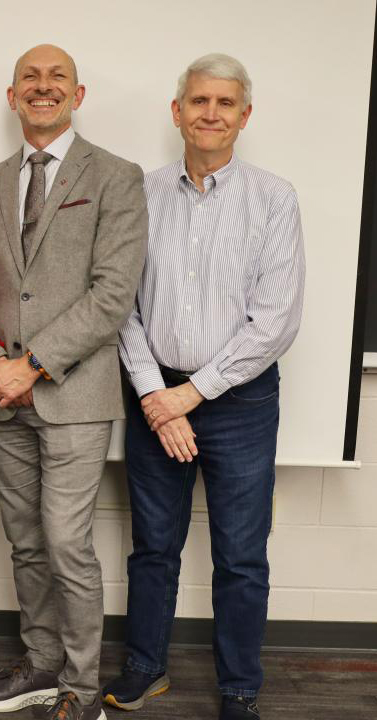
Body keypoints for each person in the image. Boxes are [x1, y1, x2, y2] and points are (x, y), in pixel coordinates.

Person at [104, 53, 305, 720]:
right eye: (199, 102)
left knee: (241, 557)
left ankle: (239, 689)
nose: (210, 113)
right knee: (153, 547)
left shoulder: (274, 199)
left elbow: (274, 321)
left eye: (225, 103)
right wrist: (155, 395)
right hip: (153, 393)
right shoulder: (140, 194)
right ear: (177, 112)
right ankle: (145, 667)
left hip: (240, 404)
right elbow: (120, 306)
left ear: (244, 116)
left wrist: (190, 396)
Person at [0, 44, 148, 720]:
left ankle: (80, 685)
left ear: (79, 93)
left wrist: (31, 365)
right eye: (30, 79)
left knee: (67, 541)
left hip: (74, 392)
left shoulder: (118, 177)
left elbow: (112, 293)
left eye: (57, 77)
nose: (43, 87)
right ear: (12, 97)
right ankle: (39, 666)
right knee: (26, 539)